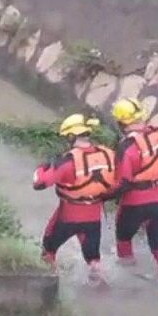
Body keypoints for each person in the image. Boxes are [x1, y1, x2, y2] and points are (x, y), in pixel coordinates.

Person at [32, 114, 116, 283]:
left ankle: (49, 285)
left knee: (48, 249)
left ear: (71, 137)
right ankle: (103, 293)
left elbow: (39, 184)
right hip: (93, 217)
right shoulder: (108, 155)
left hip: (68, 216)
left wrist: (43, 167)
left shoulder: (67, 162)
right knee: (93, 259)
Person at [110, 97, 158, 283]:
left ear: (120, 122)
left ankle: (127, 272)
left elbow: (122, 182)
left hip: (135, 202)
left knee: (123, 236)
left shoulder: (127, 148)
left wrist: (103, 196)